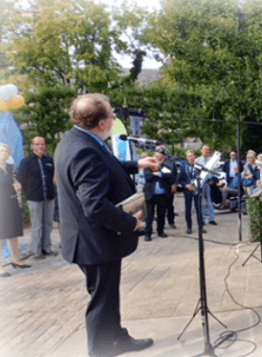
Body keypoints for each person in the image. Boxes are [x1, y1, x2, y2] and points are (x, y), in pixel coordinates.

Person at [54, 93, 157, 357]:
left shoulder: (75, 139)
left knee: (107, 296)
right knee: (102, 300)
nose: (114, 118)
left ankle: (117, 339)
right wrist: (129, 222)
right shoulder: (85, 150)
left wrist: (136, 164)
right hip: (95, 242)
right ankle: (100, 351)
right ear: (101, 123)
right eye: (111, 115)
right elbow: (94, 205)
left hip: (91, 240)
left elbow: (106, 166)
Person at [18, 136, 57, 260]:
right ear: (33, 146)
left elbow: (54, 178)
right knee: (37, 225)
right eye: (37, 144)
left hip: (49, 197)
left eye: (42, 144)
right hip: (34, 198)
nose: (40, 146)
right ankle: (36, 251)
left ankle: (47, 248)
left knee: (48, 224)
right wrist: (28, 193)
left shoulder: (49, 160)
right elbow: (20, 180)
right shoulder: (26, 162)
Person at [0, 143, 31, 277]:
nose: (4, 153)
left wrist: (18, 185)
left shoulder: (11, 167)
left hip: (12, 203)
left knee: (13, 234)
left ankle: (16, 259)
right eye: (1, 150)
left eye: (6, 151)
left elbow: (16, 182)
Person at [143, 147, 177, 241]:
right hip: (151, 194)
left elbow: (169, 176)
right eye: (156, 156)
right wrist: (160, 175)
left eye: (160, 157)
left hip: (162, 194)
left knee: (161, 214)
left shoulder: (166, 166)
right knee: (149, 215)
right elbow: (148, 177)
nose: (158, 158)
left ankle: (160, 231)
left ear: (162, 158)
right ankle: (148, 233)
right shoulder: (148, 165)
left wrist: (157, 173)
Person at [178, 150, 205, 235]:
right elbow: (179, 180)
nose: (191, 158)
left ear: (195, 157)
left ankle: (201, 227)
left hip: (197, 190)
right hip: (188, 191)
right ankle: (189, 227)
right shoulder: (183, 167)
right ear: (187, 158)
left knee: (199, 209)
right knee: (188, 210)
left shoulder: (199, 166)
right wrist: (186, 185)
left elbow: (203, 177)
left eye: (192, 156)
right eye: (189, 156)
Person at [195, 145, 217, 225]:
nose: (206, 152)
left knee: (210, 201)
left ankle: (212, 218)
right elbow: (196, 171)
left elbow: (213, 171)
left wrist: (211, 179)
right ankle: (203, 219)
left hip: (208, 183)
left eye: (208, 150)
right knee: (202, 202)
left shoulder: (211, 161)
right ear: (201, 151)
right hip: (200, 183)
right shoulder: (197, 160)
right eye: (205, 150)